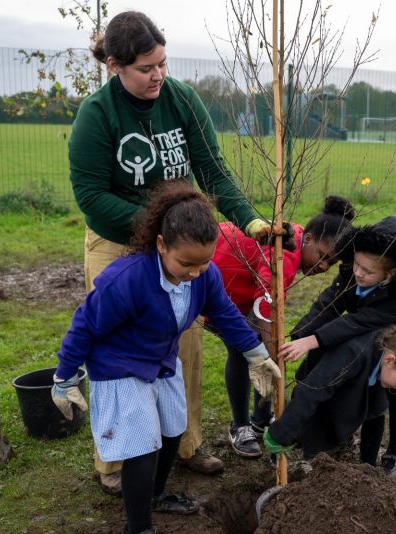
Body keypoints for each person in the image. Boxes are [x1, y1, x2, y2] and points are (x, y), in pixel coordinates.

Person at [68, 11, 280, 494]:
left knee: (184, 342)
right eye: (145, 68)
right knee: (114, 347)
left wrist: (250, 221)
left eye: (162, 63)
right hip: (118, 240)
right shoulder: (97, 116)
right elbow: (92, 196)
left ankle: (184, 444)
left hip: (176, 242)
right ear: (116, 66)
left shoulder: (180, 100)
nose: (158, 75)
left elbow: (213, 168)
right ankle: (115, 461)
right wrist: (159, 226)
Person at [50, 182, 280, 534]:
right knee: (143, 444)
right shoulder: (128, 278)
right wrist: (64, 378)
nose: (195, 273)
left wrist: (257, 356)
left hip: (160, 359)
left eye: (203, 263)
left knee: (174, 429)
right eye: (185, 264)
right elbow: (84, 325)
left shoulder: (203, 276)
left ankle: (155, 493)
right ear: (161, 245)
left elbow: (224, 313)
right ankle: (136, 531)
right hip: (119, 365)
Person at [280, 216, 396, 477]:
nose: (358, 273)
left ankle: (390, 456)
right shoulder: (353, 274)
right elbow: (329, 305)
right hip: (376, 337)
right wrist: (298, 336)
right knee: (367, 388)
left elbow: (354, 323)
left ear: (391, 275)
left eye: (367, 271)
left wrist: (310, 341)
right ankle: (324, 434)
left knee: (390, 397)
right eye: (357, 264)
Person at [210, 196, 355, 457]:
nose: (323, 266)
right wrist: (272, 354)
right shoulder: (284, 255)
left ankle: (262, 417)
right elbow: (266, 312)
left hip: (239, 292)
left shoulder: (297, 237)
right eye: (322, 256)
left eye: (330, 263)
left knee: (258, 350)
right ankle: (241, 426)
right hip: (216, 279)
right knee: (243, 350)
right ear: (308, 238)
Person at [263, 325, 396, 460]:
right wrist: (282, 432)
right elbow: (311, 391)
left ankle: (357, 455)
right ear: (390, 360)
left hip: (349, 389)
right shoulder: (354, 353)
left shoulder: (387, 362)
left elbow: (376, 413)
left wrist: (368, 469)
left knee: (378, 405)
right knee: (312, 429)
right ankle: (298, 443)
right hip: (320, 390)